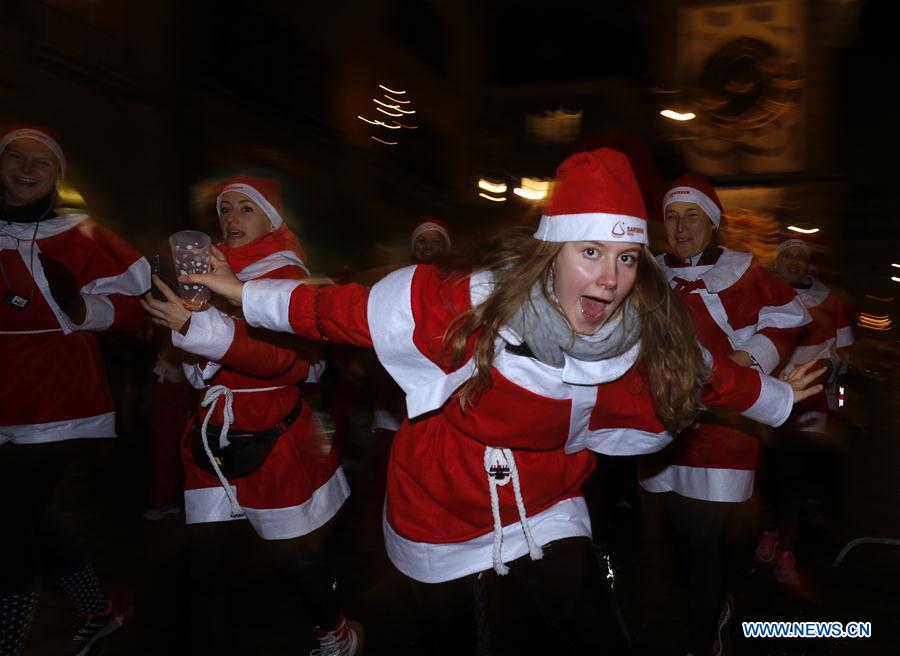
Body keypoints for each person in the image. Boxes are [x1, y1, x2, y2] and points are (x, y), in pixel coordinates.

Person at [178, 149, 823, 654]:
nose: (611, 277)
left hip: (545, 499)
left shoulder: (637, 334)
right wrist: (239, 293)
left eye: (628, 258)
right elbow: (338, 309)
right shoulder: (466, 303)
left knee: (597, 633)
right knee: (455, 642)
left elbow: (701, 371)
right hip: (440, 504)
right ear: (552, 250)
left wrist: (774, 394)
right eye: (591, 251)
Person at [141, 177, 360, 656]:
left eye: (245, 209)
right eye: (225, 210)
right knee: (206, 569)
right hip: (212, 435)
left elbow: (288, 360)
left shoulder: (286, 277)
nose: (231, 219)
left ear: (270, 220)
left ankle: (336, 629)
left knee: (295, 562)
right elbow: (202, 369)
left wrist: (196, 327)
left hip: (272, 435)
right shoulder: (206, 271)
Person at [639, 173, 812, 656]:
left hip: (727, 426)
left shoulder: (745, 270)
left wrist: (749, 359)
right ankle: (711, 609)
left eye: (691, 215)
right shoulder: (650, 273)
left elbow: (787, 317)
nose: (680, 226)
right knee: (678, 539)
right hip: (666, 428)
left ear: (713, 223)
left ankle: (703, 637)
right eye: (672, 217)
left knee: (707, 542)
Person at [0, 124, 150, 656]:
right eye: (14, 157)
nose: (25, 169)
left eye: (39, 162)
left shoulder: (82, 234)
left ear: (56, 176)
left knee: (11, 526)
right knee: (27, 516)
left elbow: (136, 307)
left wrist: (82, 306)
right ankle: (99, 609)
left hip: (57, 392)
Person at [754, 237, 854, 585]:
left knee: (796, 473)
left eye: (800, 256)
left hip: (812, 400)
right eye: (788, 256)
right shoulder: (760, 295)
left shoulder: (830, 301)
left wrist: (832, 375)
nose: (794, 261)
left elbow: (846, 352)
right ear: (776, 262)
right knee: (769, 469)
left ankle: (786, 549)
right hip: (770, 399)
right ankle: (771, 529)